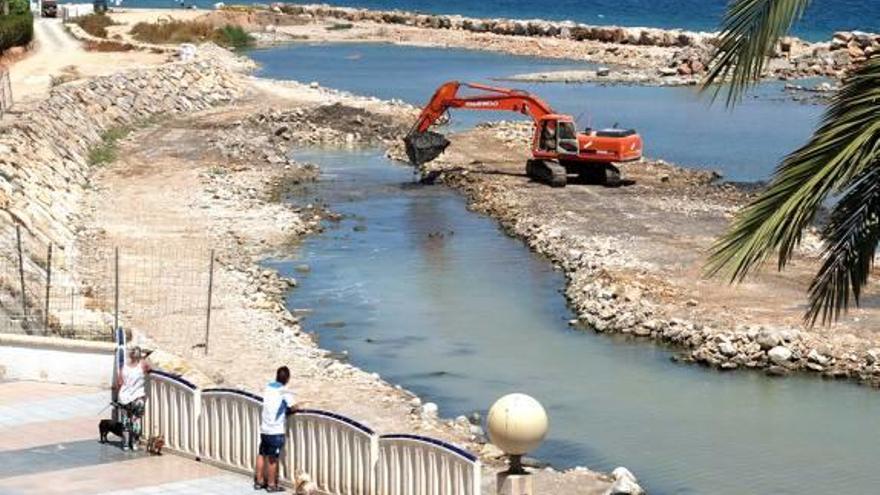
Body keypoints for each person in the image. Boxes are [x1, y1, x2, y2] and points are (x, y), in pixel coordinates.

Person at [255, 366, 296, 492]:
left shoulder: (268, 387)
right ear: (287, 378)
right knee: (273, 458)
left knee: (262, 454)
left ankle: (259, 481)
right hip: (275, 430)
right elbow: (293, 406)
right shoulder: (284, 391)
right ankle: (272, 485)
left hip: (264, 428)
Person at [117, 346, 151, 451]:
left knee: (125, 421)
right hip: (137, 397)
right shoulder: (143, 365)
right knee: (136, 421)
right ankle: (135, 443)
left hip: (123, 397)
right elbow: (150, 370)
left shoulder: (124, 367)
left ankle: (126, 444)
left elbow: (119, 382)